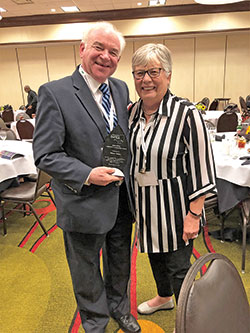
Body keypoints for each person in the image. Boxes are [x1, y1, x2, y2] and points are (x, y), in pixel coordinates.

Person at [33, 22, 141, 333]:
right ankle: (95, 321)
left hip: (121, 197)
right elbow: (46, 154)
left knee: (120, 260)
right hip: (82, 200)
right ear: (82, 49)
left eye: (113, 52)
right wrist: (87, 174)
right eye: (99, 48)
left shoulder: (120, 88)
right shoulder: (55, 93)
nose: (106, 57)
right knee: (86, 269)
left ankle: (121, 309)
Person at [129, 44, 216, 319]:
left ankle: (189, 318)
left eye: (153, 71)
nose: (146, 80)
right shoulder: (131, 113)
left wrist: (193, 215)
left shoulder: (187, 114)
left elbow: (202, 168)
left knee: (180, 268)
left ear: (168, 74)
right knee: (154, 255)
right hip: (146, 206)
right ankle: (164, 297)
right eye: (139, 73)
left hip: (178, 210)